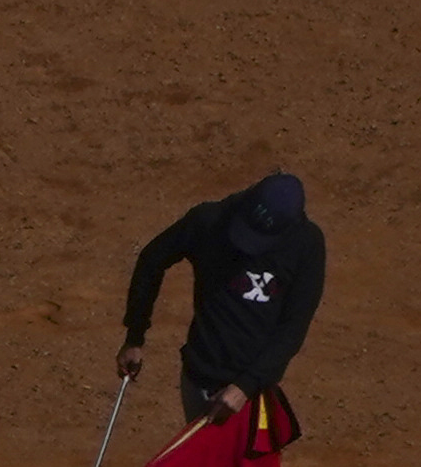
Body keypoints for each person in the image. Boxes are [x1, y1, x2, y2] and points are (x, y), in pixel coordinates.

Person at [121, 170, 326, 442]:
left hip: (253, 395)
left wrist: (245, 386)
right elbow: (151, 260)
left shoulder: (307, 244)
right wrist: (135, 335)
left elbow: (294, 326)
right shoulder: (211, 220)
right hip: (199, 379)